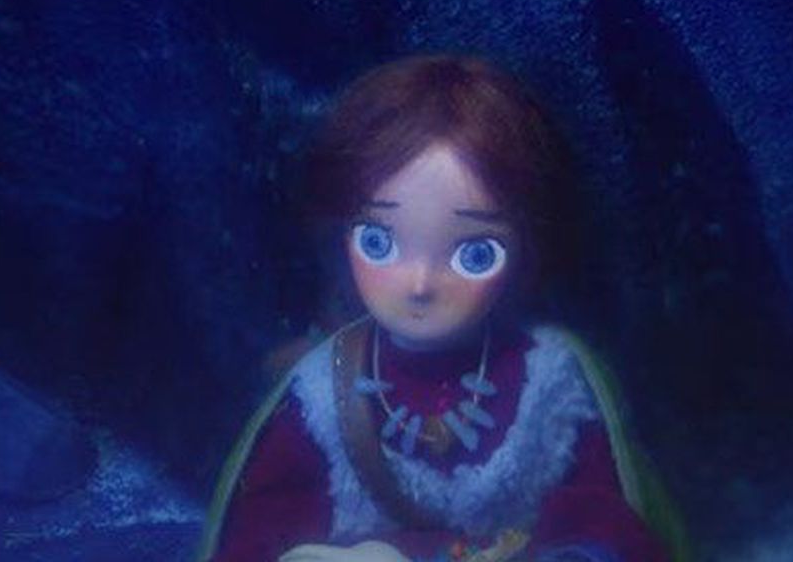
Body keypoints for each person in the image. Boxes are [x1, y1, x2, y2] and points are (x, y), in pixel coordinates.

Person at [197, 55, 686, 562]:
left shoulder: (549, 382)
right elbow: (258, 534)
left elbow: (606, 523)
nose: (421, 283)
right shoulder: (320, 395)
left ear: (528, 248)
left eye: (475, 254)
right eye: (378, 242)